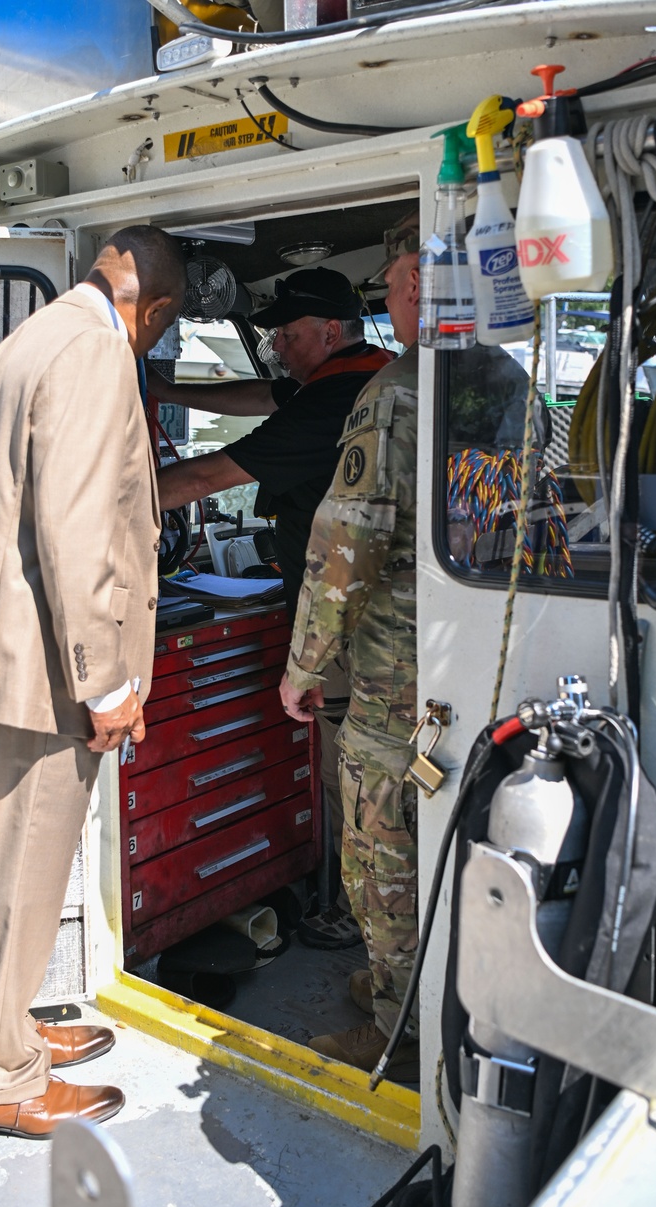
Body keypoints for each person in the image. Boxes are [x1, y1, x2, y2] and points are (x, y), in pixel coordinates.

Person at [0, 226, 186, 1140]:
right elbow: (75, 528)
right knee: (21, 868)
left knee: (0, 860)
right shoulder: (99, 350)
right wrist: (107, 686)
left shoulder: (25, 340)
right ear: (160, 311)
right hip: (41, 670)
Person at [152, 266, 395, 950]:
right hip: (368, 612)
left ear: (328, 331)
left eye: (286, 335)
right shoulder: (363, 378)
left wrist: (110, 494)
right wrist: (167, 389)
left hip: (348, 629)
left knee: (348, 776)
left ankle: (362, 914)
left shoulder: (331, 403)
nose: (278, 348)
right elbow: (264, 393)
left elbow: (204, 476)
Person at [279, 212, 423, 1079]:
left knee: (380, 853)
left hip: (391, 680)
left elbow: (349, 546)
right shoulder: (512, 379)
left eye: (397, 283)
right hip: (467, 668)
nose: (397, 301)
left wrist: (303, 665)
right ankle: (406, 996)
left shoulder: (395, 392)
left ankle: (395, 1027)